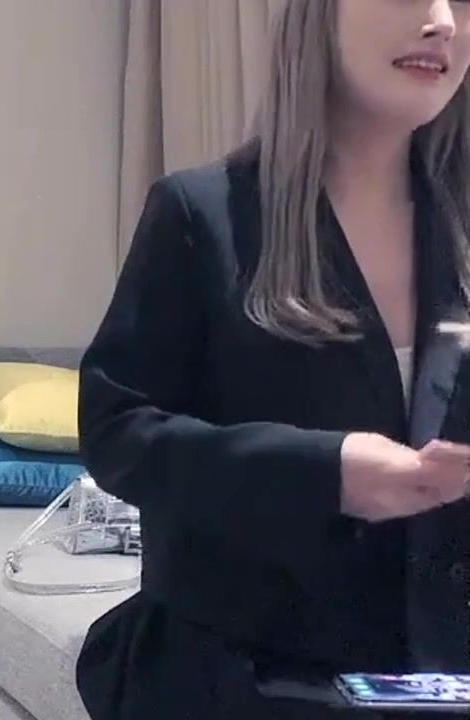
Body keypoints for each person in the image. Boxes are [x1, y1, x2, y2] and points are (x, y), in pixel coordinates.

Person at [76, 1, 470, 719]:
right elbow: (118, 436)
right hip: (241, 683)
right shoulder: (204, 214)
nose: (442, 20)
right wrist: (325, 473)